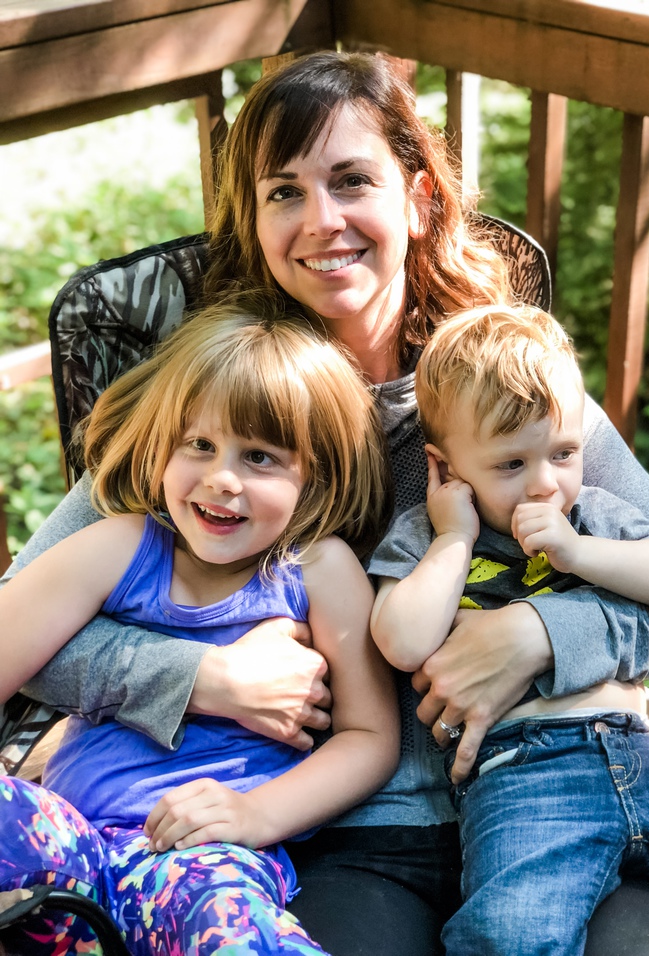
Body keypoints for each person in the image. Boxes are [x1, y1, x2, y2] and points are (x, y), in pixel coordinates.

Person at [2, 50, 649, 956]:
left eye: (350, 181)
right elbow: (24, 624)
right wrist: (198, 681)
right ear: (253, 220)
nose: (321, 221)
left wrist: (538, 637)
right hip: (347, 835)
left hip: (560, 790)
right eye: (284, 193)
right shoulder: (225, 400)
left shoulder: (502, 388)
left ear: (418, 199)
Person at [0, 295, 399, 955]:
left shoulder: (317, 572)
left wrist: (253, 814)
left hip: (200, 855)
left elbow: (369, 737)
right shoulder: (122, 546)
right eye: (200, 445)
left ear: (316, 478)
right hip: (69, 844)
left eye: (260, 457)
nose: (221, 478)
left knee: (229, 927)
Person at [369, 304, 649, 954]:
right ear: (444, 465)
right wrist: (454, 538)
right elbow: (401, 641)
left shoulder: (593, 515)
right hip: (521, 772)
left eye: (562, 453)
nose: (544, 485)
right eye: (510, 465)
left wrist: (578, 553)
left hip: (644, 757)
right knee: (509, 932)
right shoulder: (427, 534)